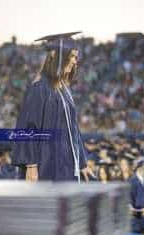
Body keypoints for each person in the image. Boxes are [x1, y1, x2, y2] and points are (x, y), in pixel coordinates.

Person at [11, 31, 94, 182]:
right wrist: (31, 164)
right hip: (47, 164)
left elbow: (73, 129)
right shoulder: (40, 88)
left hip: (66, 164)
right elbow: (29, 127)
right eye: (72, 56)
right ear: (57, 57)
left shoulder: (63, 91)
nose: (75, 61)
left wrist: (82, 162)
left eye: (76, 57)